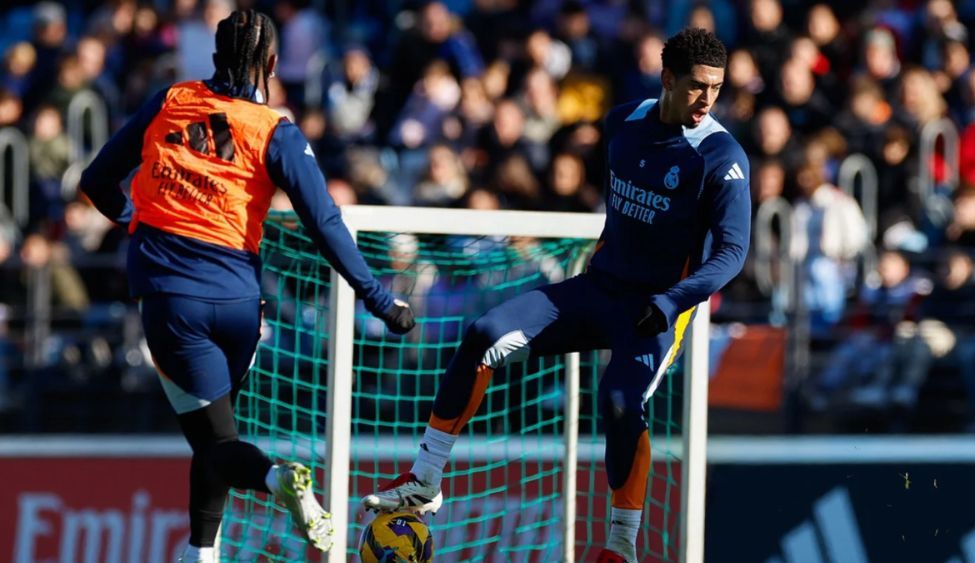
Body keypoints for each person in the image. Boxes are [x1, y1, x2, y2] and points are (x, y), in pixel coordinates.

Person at [363, 28, 750, 563]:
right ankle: (425, 479)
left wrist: (671, 301)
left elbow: (732, 255)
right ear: (666, 79)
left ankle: (621, 545)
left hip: (655, 312)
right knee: (483, 334)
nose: (708, 99)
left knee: (618, 401)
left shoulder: (720, 155)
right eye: (696, 86)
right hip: (598, 289)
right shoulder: (623, 124)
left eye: (716, 87)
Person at [78, 10, 416, 561]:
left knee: (217, 444)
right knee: (214, 433)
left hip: (175, 303)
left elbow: (96, 181)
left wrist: (133, 217)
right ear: (275, 65)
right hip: (240, 307)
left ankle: (276, 478)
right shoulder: (276, 131)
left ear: (213, 57)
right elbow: (325, 223)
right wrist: (378, 298)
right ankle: (200, 551)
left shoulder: (170, 101)